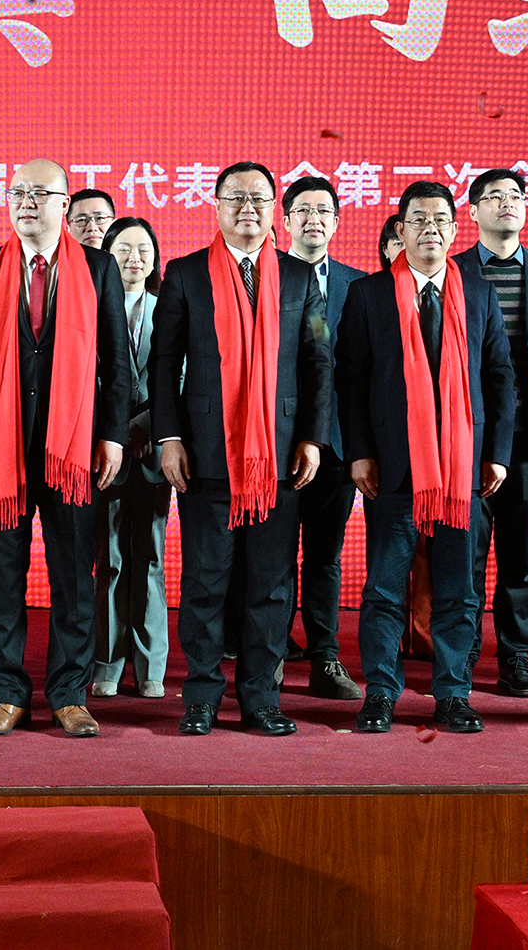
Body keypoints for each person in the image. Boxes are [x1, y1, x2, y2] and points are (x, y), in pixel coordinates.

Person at [0, 159, 133, 737]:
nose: (26, 202)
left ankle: (69, 694)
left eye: (39, 193)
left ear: (64, 204)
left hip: (72, 448)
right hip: (1, 446)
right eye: (17, 193)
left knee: (75, 573)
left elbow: (117, 362)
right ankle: (7, 692)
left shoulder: (99, 268)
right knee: (2, 573)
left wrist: (112, 435)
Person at [153, 164, 334, 735]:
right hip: (206, 454)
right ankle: (202, 697)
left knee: (271, 586)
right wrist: (169, 438)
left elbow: (318, 361)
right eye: (236, 197)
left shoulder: (300, 277)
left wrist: (312, 437)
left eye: (259, 198)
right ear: (216, 204)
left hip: (279, 457)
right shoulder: (185, 274)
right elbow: (163, 364)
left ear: (274, 209)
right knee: (206, 582)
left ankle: (260, 698)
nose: (248, 208)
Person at [336, 182, 515, 735]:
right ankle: (381, 692)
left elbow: (499, 378)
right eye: (418, 219)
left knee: (459, 591)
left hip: (463, 471)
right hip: (393, 469)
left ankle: (453, 694)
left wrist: (497, 454)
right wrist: (360, 453)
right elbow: (351, 381)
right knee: (385, 590)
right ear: (401, 230)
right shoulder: (368, 295)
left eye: (440, 219)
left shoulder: (479, 295)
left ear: (456, 230)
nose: (430, 228)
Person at [454, 169, 528, 700]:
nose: (507, 203)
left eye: (516, 196)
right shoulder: (453, 271)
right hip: (468, 439)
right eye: (494, 196)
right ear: (473, 210)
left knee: (522, 560)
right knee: (465, 557)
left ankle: (516, 658)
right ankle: (462, 654)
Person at [279, 175, 365, 701]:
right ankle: (267, 654)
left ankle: (324, 658)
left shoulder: (361, 285)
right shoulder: (264, 275)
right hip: (275, 441)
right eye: (303, 210)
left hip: (335, 444)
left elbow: (368, 370)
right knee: (270, 557)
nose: (314, 219)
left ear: (336, 221)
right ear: (285, 220)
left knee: (324, 558)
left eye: (323, 211)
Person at [92, 214, 168, 699]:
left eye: (143, 250)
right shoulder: (92, 310)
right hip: (106, 451)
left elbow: (180, 375)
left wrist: (144, 427)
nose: (134, 259)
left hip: (156, 452)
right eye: (123, 250)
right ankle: (108, 661)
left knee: (151, 557)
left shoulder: (169, 309)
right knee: (112, 558)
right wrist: (118, 433)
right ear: (107, 256)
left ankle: (150, 663)